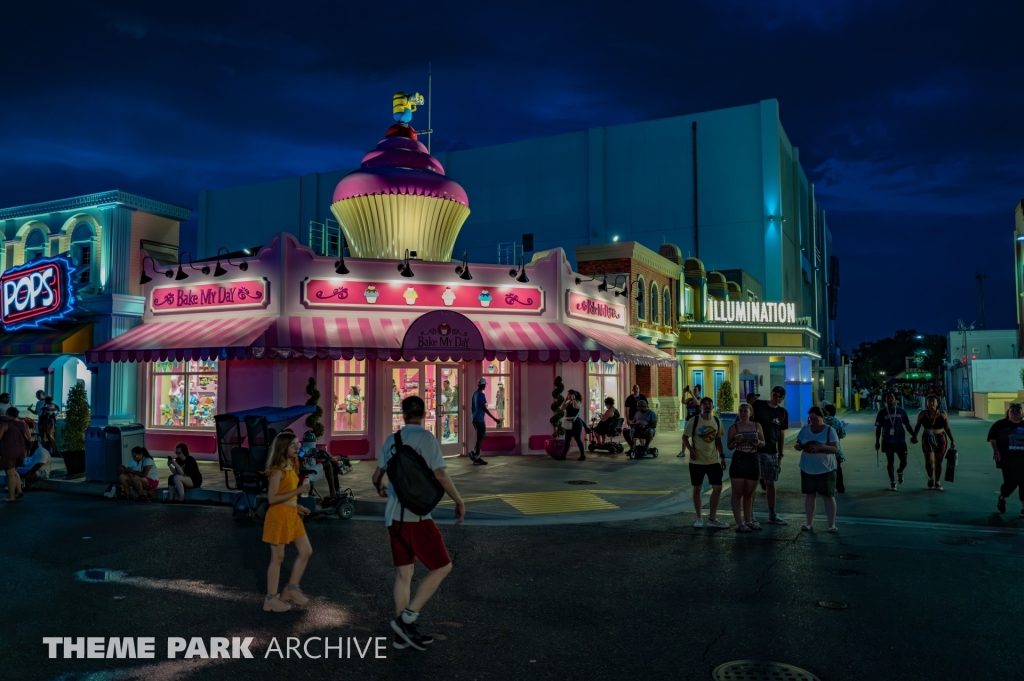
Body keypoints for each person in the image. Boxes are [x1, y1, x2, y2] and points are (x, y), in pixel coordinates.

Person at [373, 396, 465, 651]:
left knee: (404, 575)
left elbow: (376, 476)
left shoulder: (392, 440)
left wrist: (381, 487)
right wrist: (458, 500)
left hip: (393, 517)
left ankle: (403, 635)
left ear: (402, 414)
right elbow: (440, 474)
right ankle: (408, 618)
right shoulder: (427, 438)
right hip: (417, 518)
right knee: (442, 567)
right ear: (423, 414)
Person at [262, 432, 313, 613]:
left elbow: (288, 494)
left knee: (306, 551)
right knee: (277, 558)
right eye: (293, 445)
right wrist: (299, 490)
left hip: (292, 513)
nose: (297, 447)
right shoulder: (277, 471)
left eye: (297, 443)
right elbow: (272, 498)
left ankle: (291, 589)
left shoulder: (291, 465)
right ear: (283, 448)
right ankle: (271, 598)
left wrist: (298, 506)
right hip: (278, 515)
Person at [682, 396, 728, 528]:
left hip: (713, 460)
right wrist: (690, 450)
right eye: (705, 404)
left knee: (718, 487)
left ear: (713, 407)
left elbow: (718, 441)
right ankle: (699, 518)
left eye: (710, 404)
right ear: (701, 407)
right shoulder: (694, 420)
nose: (707, 406)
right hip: (697, 461)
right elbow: (685, 437)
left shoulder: (717, 421)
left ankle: (712, 519)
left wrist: (723, 457)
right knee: (697, 488)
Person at [795, 406, 840, 533]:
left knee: (828, 495)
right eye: (811, 418)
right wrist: (798, 446)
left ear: (822, 417)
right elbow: (797, 443)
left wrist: (821, 447)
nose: (813, 420)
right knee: (810, 495)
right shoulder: (805, 429)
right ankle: (809, 523)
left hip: (825, 468)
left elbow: (835, 449)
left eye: (816, 418)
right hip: (807, 467)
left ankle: (831, 524)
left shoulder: (829, 430)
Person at [752, 386, 789, 525]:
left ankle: (772, 515)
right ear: (771, 394)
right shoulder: (758, 404)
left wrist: (781, 455)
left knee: (770, 483)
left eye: (780, 396)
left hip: (771, 452)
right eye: (775, 395)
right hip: (754, 451)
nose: (777, 398)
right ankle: (750, 515)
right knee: (752, 483)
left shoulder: (782, 412)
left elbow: (781, 434)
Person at [728, 403, 765, 532]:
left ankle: (748, 520)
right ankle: (739, 523)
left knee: (748, 493)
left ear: (751, 413)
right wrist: (735, 442)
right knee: (737, 493)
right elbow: (730, 446)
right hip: (739, 460)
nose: (743, 413)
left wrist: (758, 442)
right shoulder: (734, 427)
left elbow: (763, 443)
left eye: (745, 411)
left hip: (753, 459)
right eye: (741, 411)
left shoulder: (757, 426)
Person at [911, 394, 955, 491]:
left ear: (937, 403)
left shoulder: (943, 414)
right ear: (926, 403)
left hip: (941, 438)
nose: (931, 403)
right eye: (929, 401)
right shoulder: (922, 414)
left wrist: (952, 439)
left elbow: (947, 428)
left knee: (938, 461)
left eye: (933, 401)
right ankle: (930, 477)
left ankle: (937, 482)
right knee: (930, 461)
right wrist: (914, 436)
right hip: (927, 438)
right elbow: (918, 425)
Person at [875, 392, 915, 491]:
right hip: (887, 440)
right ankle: (892, 482)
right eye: (888, 398)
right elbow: (878, 428)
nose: (890, 399)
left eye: (892, 397)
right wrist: (877, 441)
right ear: (885, 400)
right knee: (890, 461)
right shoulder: (881, 412)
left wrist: (914, 435)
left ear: (895, 399)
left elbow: (907, 424)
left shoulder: (901, 411)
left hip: (900, 440)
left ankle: (900, 471)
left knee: (904, 461)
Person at [990, 403, 1024, 517]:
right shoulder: (1000, 425)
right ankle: (1002, 497)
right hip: (1007, 459)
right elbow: (993, 438)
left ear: (1022, 413)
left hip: (1022, 459)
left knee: (1023, 484)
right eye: (1012, 411)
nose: (1015, 413)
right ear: (1008, 413)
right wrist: (996, 451)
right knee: (1011, 483)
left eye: (1018, 411)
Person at [0, 408, 30, 502]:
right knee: (14, 471)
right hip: (22, 451)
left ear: (8, 414)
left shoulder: (5, 424)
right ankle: (19, 491)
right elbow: (29, 437)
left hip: (9, 451)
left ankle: (11, 496)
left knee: (10, 473)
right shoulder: (23, 423)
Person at [469, 378, 500, 465]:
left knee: (481, 437)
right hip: (479, 419)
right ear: (484, 385)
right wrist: (494, 418)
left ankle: (474, 452)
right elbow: (484, 408)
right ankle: (477, 458)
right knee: (481, 437)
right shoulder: (481, 394)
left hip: (474, 418)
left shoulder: (474, 394)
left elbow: (472, 407)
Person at [822, 404, 847, 493]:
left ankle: (824, 487)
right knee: (838, 469)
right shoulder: (836, 421)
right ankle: (840, 487)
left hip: (823, 450)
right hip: (835, 450)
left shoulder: (821, 421)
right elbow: (843, 434)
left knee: (823, 469)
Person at [557, 389, 587, 461]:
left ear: (573, 395)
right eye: (568, 394)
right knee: (567, 440)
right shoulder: (568, 402)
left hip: (575, 422)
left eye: (569, 394)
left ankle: (582, 455)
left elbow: (575, 407)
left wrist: (573, 399)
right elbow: (562, 408)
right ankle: (563, 455)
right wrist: (565, 399)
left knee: (577, 439)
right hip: (568, 422)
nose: (568, 396)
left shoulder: (577, 402)